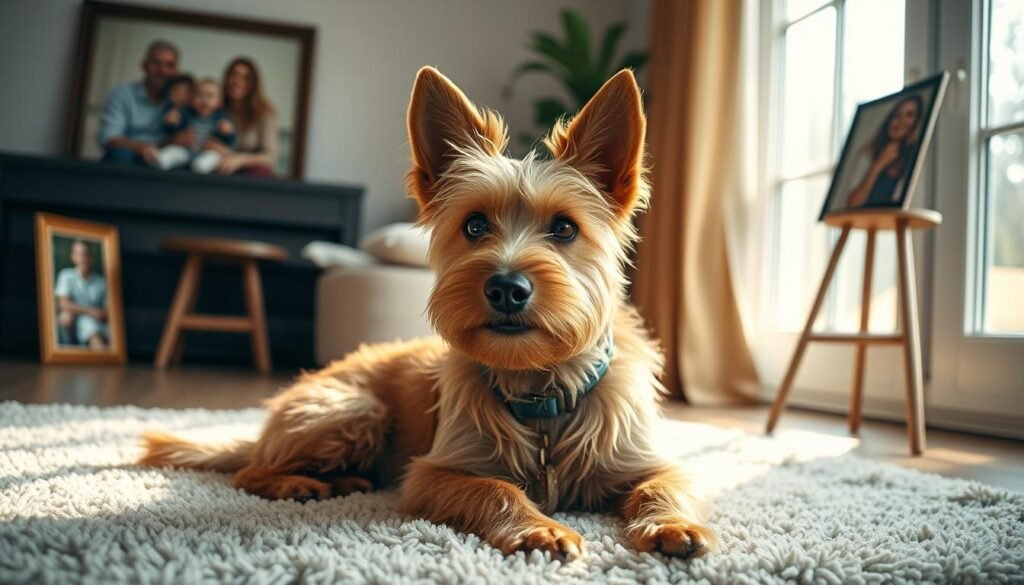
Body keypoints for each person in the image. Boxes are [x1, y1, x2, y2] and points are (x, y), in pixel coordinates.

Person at [98, 39, 183, 166]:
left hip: (166, 159)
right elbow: (110, 139)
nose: (163, 70)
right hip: (128, 158)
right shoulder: (122, 94)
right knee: (121, 155)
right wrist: (141, 148)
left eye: (169, 65)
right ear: (144, 65)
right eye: (156, 63)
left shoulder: (183, 100)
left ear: (176, 71)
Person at [844, 95, 924, 208]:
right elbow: (852, 204)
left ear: (916, 123)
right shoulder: (867, 154)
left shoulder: (914, 159)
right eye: (897, 115)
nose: (901, 121)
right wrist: (878, 164)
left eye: (909, 115)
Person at [208, 57, 279, 176]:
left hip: (251, 176)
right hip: (219, 169)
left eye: (245, 78)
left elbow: (270, 157)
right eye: (233, 75)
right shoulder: (215, 110)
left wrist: (239, 159)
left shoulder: (265, 114)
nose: (237, 81)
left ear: (253, 84)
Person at [156, 78, 236, 174]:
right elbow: (174, 131)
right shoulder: (187, 113)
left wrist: (228, 133)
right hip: (187, 150)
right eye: (200, 95)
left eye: (210, 96)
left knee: (207, 161)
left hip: (207, 152)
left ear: (219, 102)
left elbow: (230, 143)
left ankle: (199, 167)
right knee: (170, 152)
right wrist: (171, 122)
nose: (204, 100)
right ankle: (161, 161)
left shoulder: (222, 118)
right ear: (193, 99)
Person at [55, 240, 109, 350]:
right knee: (65, 317)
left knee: (93, 328)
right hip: (76, 321)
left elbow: (107, 309)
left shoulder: (101, 281)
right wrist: (91, 311)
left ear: (90, 257)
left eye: (85, 255)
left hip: (96, 321)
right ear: (73, 257)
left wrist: (99, 314)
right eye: (78, 255)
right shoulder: (66, 275)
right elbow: (64, 304)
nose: (82, 259)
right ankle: (66, 354)